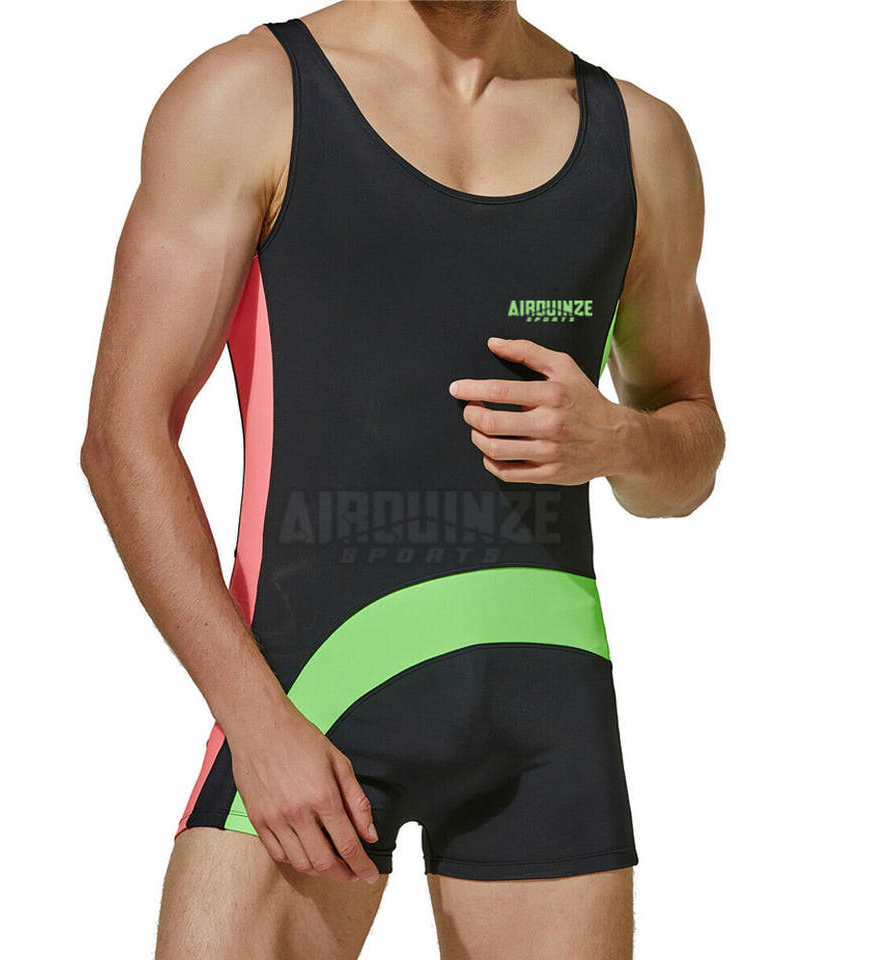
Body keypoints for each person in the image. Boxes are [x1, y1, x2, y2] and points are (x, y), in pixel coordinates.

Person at [81, 2, 724, 957]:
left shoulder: (639, 141)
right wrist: (253, 721)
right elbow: (123, 437)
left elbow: (689, 451)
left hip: (547, 729)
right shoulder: (252, 97)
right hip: (308, 705)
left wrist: (620, 440)